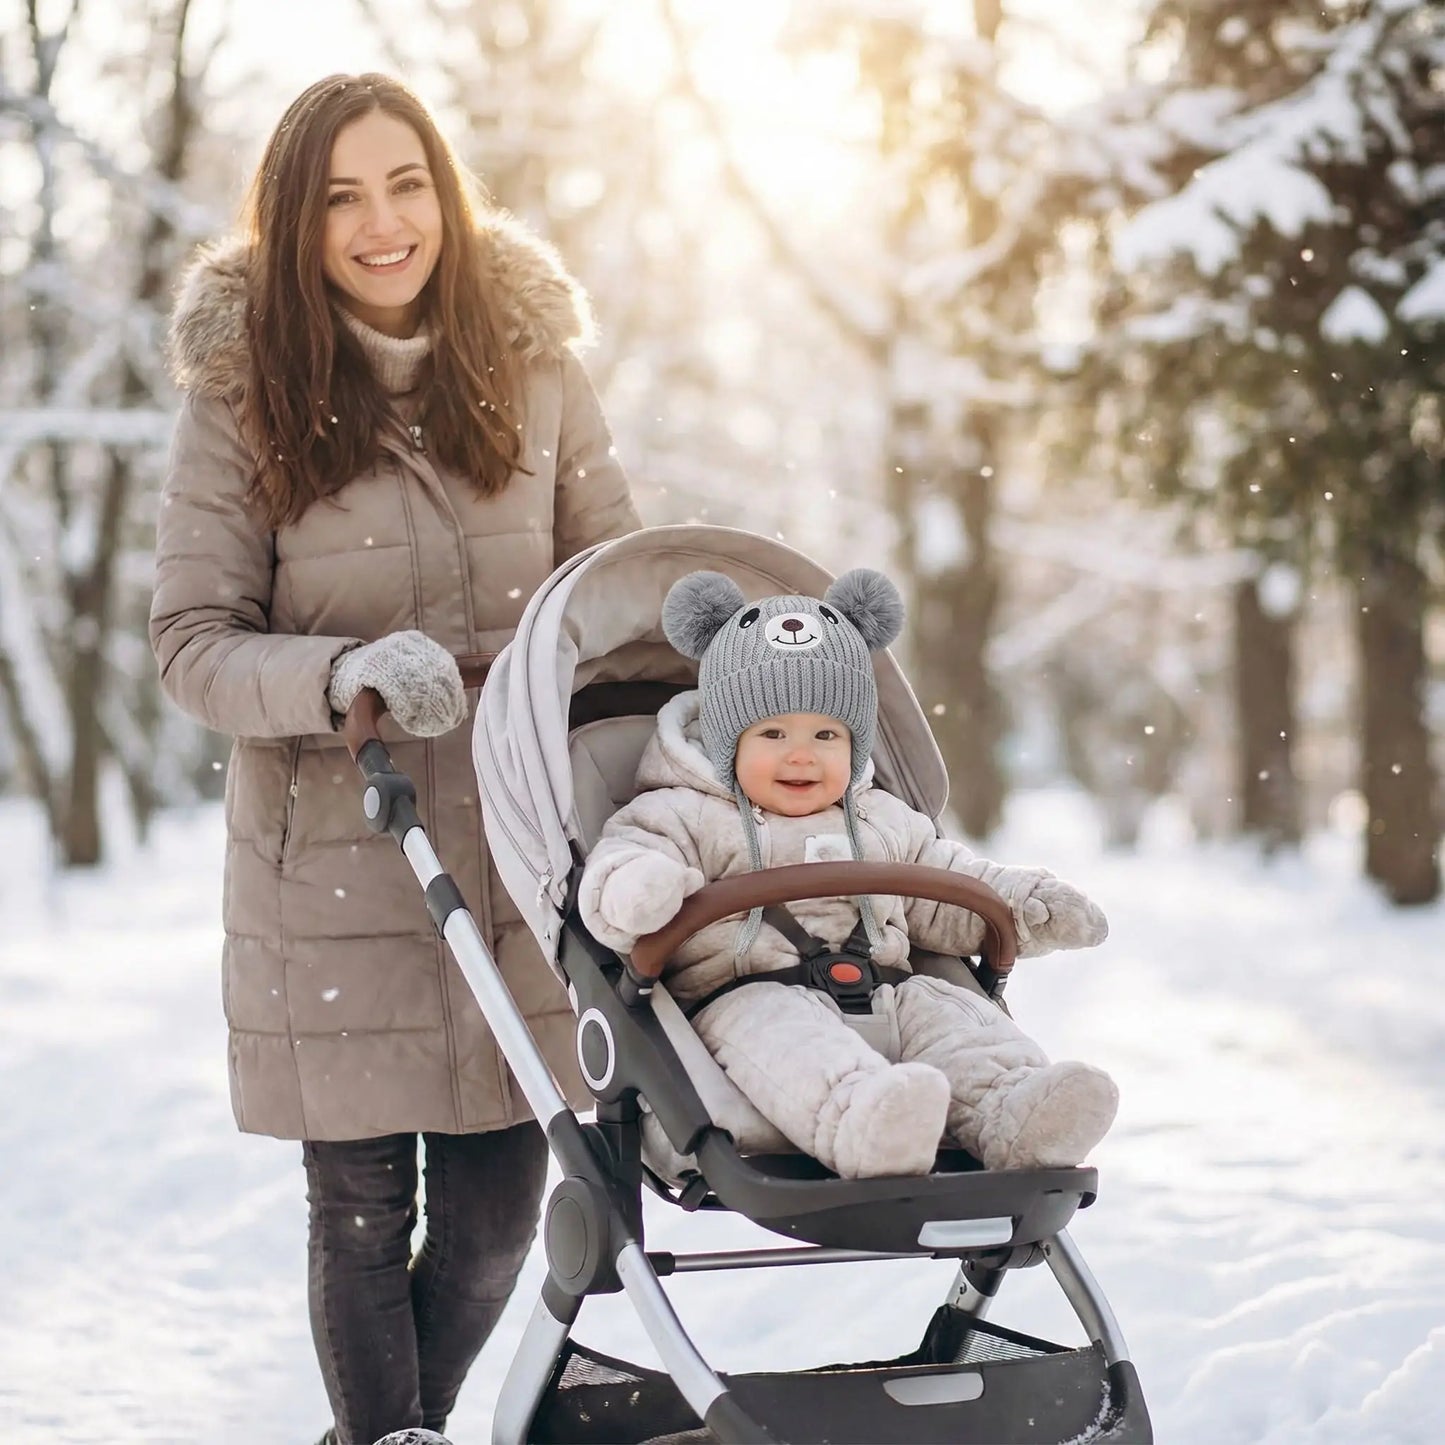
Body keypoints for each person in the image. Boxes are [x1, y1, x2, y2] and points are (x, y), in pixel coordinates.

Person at [149, 73, 639, 1445]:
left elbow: (611, 586)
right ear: (297, 224)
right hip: (338, 854)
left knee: (494, 1221)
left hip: (513, 843)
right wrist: (338, 672)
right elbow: (189, 641)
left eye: (406, 184)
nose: (383, 224)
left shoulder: (533, 365)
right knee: (360, 1214)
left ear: (447, 192)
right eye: (343, 198)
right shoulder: (246, 394)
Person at [579, 569, 1118, 1180]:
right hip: (746, 1001)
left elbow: (947, 882)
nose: (801, 753)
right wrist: (638, 888)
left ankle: (1016, 1111)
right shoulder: (679, 812)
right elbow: (619, 865)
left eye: (827, 734)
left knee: (956, 1022)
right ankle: (867, 1123)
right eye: (773, 732)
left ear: (856, 745)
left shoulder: (881, 818)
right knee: (790, 1042)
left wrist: (1023, 906)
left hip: (889, 991)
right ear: (726, 739)